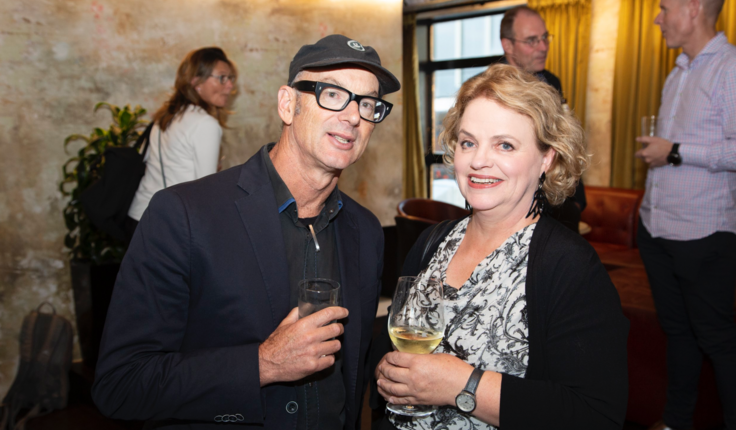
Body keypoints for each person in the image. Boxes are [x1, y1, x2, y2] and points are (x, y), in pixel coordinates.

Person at [92, 34, 400, 430]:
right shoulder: (185, 215)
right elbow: (121, 384)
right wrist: (262, 364)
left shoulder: (366, 231)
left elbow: (351, 377)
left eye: (368, 103)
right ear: (288, 104)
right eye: (333, 94)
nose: (354, 116)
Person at [373, 64, 629, 430]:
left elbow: (594, 415)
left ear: (547, 158)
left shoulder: (569, 267)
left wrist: (462, 384)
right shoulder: (432, 242)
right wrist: (386, 369)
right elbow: (395, 343)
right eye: (468, 142)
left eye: (504, 145)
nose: (478, 161)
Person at [634, 0, 736, 429]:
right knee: (678, 334)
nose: (658, 17)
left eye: (663, 7)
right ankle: (676, 421)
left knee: (719, 340)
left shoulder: (729, 68)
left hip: (704, 233)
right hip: (657, 228)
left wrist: (674, 151)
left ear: (693, 8)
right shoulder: (677, 72)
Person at [124, 47, 237, 243]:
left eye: (231, 78)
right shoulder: (205, 124)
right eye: (222, 78)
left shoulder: (165, 116)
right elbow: (207, 191)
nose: (229, 86)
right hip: (170, 223)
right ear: (196, 82)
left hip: (140, 217)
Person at [497, 5, 587, 233]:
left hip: (559, 203)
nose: (543, 47)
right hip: (511, 208)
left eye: (545, 38)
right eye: (532, 40)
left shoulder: (552, 82)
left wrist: (576, 200)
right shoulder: (491, 88)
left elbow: (564, 142)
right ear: (508, 45)